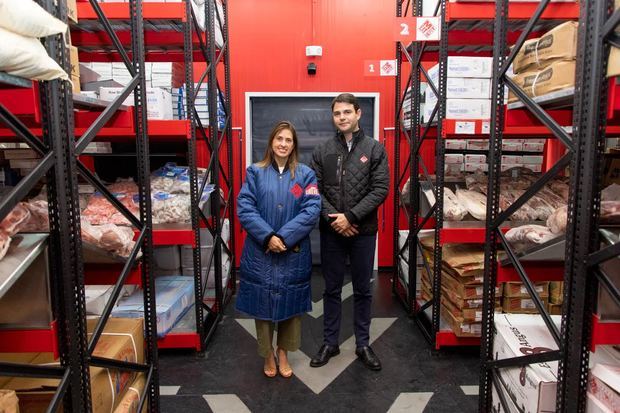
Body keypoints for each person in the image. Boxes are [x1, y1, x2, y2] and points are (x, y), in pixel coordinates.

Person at [309, 93, 389, 371]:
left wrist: (351, 217)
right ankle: (330, 342)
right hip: (332, 231)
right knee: (330, 289)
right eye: (337, 114)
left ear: (358, 113)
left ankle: (363, 344)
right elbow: (313, 191)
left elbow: (380, 189)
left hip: (363, 231)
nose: (341, 117)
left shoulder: (375, 149)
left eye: (346, 112)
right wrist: (336, 220)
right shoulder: (322, 151)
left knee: (363, 290)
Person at [236, 120, 321, 378]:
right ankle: (268, 353)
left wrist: (283, 237)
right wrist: (268, 236)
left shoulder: (305, 175)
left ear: (294, 145)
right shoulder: (255, 173)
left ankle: (284, 351)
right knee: (262, 305)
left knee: (291, 304)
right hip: (261, 252)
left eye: (288, 140)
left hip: (292, 252)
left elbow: (312, 208)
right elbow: (245, 208)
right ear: (271, 142)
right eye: (279, 139)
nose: (283, 144)